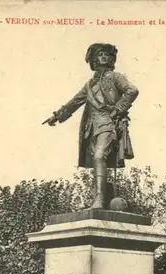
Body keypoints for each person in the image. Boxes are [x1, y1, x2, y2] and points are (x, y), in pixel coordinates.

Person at [43, 43, 139, 209]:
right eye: (99, 54)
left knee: (99, 156)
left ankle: (100, 201)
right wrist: (57, 115)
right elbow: (74, 102)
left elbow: (132, 90)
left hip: (108, 124)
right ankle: (98, 197)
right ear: (93, 60)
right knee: (97, 161)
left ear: (111, 59)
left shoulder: (116, 77)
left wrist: (118, 109)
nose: (102, 57)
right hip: (91, 128)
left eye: (106, 54)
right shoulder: (89, 85)